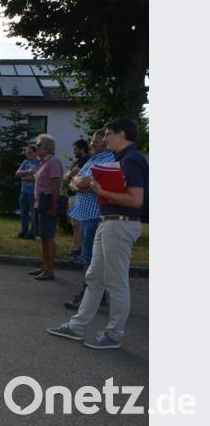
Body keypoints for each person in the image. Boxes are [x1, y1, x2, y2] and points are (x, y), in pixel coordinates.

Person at [48, 118, 148, 349]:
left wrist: (101, 190)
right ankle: (77, 326)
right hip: (110, 223)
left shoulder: (131, 160)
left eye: (108, 134)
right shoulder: (121, 159)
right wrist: (95, 185)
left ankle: (114, 334)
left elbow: (136, 200)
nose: (104, 139)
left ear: (121, 134)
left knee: (116, 281)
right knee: (94, 277)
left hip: (120, 224)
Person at [63, 130, 116, 310]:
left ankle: (88, 295)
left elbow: (83, 182)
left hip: (95, 216)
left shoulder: (107, 159)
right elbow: (73, 181)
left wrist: (79, 182)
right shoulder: (92, 159)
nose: (92, 144)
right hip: (84, 214)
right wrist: (78, 182)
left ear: (105, 142)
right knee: (89, 257)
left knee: (89, 257)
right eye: (92, 141)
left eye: (96, 141)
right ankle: (96, 295)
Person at [27, 134, 64, 281]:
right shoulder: (42, 163)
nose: (37, 147)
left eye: (39, 145)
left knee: (48, 237)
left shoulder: (53, 162)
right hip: (40, 204)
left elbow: (56, 185)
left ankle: (50, 270)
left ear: (48, 148)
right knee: (43, 237)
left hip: (48, 204)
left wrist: (54, 205)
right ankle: (45, 266)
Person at [64, 139, 91, 259]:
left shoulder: (86, 160)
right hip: (72, 195)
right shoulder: (77, 161)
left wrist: (70, 174)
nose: (73, 151)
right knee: (74, 225)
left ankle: (79, 250)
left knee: (77, 224)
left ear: (82, 148)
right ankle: (76, 248)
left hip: (77, 195)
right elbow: (66, 175)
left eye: (75, 149)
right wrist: (69, 174)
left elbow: (72, 173)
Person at [15, 145, 40, 239]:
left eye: (29, 152)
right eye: (26, 152)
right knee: (23, 213)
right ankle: (23, 231)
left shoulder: (38, 163)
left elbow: (36, 177)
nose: (27, 154)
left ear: (35, 153)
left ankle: (31, 233)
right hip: (23, 192)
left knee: (33, 214)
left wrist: (25, 176)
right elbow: (17, 173)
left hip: (33, 193)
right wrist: (29, 171)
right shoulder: (25, 162)